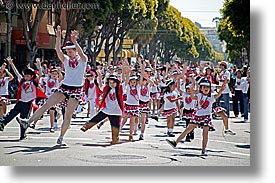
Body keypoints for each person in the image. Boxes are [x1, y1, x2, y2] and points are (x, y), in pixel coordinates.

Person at [16, 26, 88, 145]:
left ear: (75, 51)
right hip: (65, 86)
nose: (69, 53)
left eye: (71, 51)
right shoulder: (65, 60)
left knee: (68, 115)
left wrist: (75, 41)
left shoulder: (83, 60)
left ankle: (61, 137)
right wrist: (59, 36)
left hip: (76, 89)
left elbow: (81, 52)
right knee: (46, 104)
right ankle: (27, 122)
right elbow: (57, 49)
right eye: (68, 51)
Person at [166, 79, 225, 156]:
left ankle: (204, 150)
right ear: (201, 88)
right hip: (198, 116)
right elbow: (193, 97)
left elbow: (217, 95)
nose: (206, 88)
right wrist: (191, 89)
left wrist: (221, 90)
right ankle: (175, 142)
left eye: (207, 87)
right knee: (187, 129)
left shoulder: (211, 96)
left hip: (206, 117)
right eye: (204, 87)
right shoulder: (199, 95)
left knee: (205, 133)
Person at [0, 56, 46, 140]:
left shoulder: (34, 82)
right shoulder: (22, 81)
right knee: (12, 113)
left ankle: (22, 134)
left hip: (28, 103)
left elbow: (40, 75)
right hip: (20, 101)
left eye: (28, 76)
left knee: (23, 118)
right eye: (25, 76)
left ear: (32, 76)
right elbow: (17, 73)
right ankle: (2, 123)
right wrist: (11, 63)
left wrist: (39, 65)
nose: (26, 77)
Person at [80, 74, 124, 145]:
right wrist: (100, 76)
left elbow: (126, 81)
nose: (112, 84)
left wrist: (126, 72)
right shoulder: (106, 88)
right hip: (106, 109)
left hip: (116, 111)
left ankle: (115, 139)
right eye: (110, 83)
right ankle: (86, 126)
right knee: (96, 118)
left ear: (117, 82)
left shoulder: (120, 88)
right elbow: (100, 85)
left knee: (115, 126)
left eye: (113, 83)